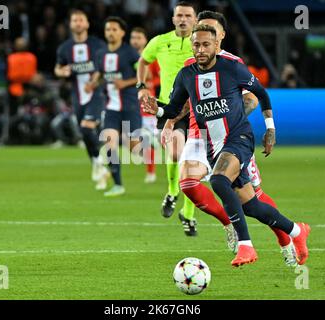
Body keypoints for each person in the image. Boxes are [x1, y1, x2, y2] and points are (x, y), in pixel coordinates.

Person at [143, 24, 311, 267]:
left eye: (205, 44)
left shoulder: (232, 68)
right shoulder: (186, 75)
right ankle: (297, 231)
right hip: (212, 146)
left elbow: (261, 93)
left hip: (238, 138)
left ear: (216, 45)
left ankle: (246, 246)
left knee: (219, 180)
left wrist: (270, 128)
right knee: (252, 206)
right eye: (196, 44)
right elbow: (174, 108)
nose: (200, 49)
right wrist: (157, 108)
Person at [137, 1, 198, 235]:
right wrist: (141, 86)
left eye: (187, 15)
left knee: (193, 162)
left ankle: (189, 214)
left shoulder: (201, 43)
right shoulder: (160, 41)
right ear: (173, 19)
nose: (183, 19)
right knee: (175, 153)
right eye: (179, 15)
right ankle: (173, 191)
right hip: (168, 107)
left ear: (195, 19)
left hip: (197, 108)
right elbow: (143, 60)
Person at [85, 17, 142, 197]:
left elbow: (143, 75)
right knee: (110, 143)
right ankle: (118, 184)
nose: (110, 32)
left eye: (114, 29)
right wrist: (93, 83)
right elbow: (100, 73)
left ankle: (151, 140)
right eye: (108, 29)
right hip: (111, 106)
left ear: (122, 33)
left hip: (130, 105)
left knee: (135, 150)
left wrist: (125, 83)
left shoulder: (131, 53)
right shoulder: (101, 54)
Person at [55, 9, 109, 190]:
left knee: (87, 128)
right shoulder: (64, 48)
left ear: (87, 24)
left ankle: (100, 160)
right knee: (84, 132)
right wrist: (61, 72)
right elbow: (58, 68)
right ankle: (97, 162)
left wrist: (94, 82)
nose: (78, 23)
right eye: (74, 20)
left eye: (81, 20)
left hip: (96, 94)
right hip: (77, 96)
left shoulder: (97, 45)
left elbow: (105, 67)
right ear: (70, 25)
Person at [130, 27, 160, 184]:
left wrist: (147, 85)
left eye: (139, 38)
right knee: (131, 142)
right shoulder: (126, 57)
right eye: (133, 37)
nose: (135, 41)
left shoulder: (152, 59)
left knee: (146, 139)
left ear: (145, 40)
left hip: (146, 104)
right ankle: (158, 140)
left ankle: (151, 172)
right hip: (130, 103)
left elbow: (159, 78)